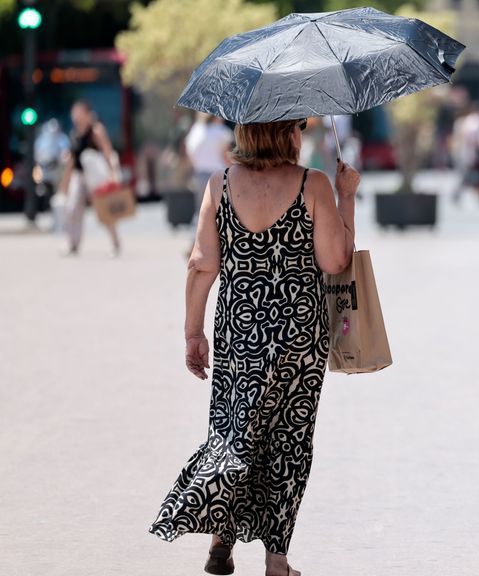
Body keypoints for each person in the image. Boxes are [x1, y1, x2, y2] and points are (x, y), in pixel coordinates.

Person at [149, 118, 357, 576]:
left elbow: (202, 264)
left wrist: (193, 332)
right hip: (299, 336)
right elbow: (336, 260)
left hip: (240, 333)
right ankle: (276, 560)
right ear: (286, 134)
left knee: (234, 431)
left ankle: (221, 540)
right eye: (297, 127)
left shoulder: (220, 183)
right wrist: (348, 196)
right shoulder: (313, 184)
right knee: (288, 441)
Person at [57, 100, 121, 255]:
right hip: (79, 177)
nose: (75, 116)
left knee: (103, 210)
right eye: (74, 113)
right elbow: (72, 161)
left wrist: (112, 174)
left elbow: (107, 151)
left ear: (87, 113)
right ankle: (73, 243)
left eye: (78, 112)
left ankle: (115, 242)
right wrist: (64, 183)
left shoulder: (96, 130)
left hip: (95, 177)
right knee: (72, 209)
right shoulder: (75, 134)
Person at [185, 113, 233, 218]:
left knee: (202, 208)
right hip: (219, 173)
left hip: (200, 173)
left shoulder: (196, 130)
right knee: (221, 208)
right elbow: (225, 156)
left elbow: (190, 153)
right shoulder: (222, 131)